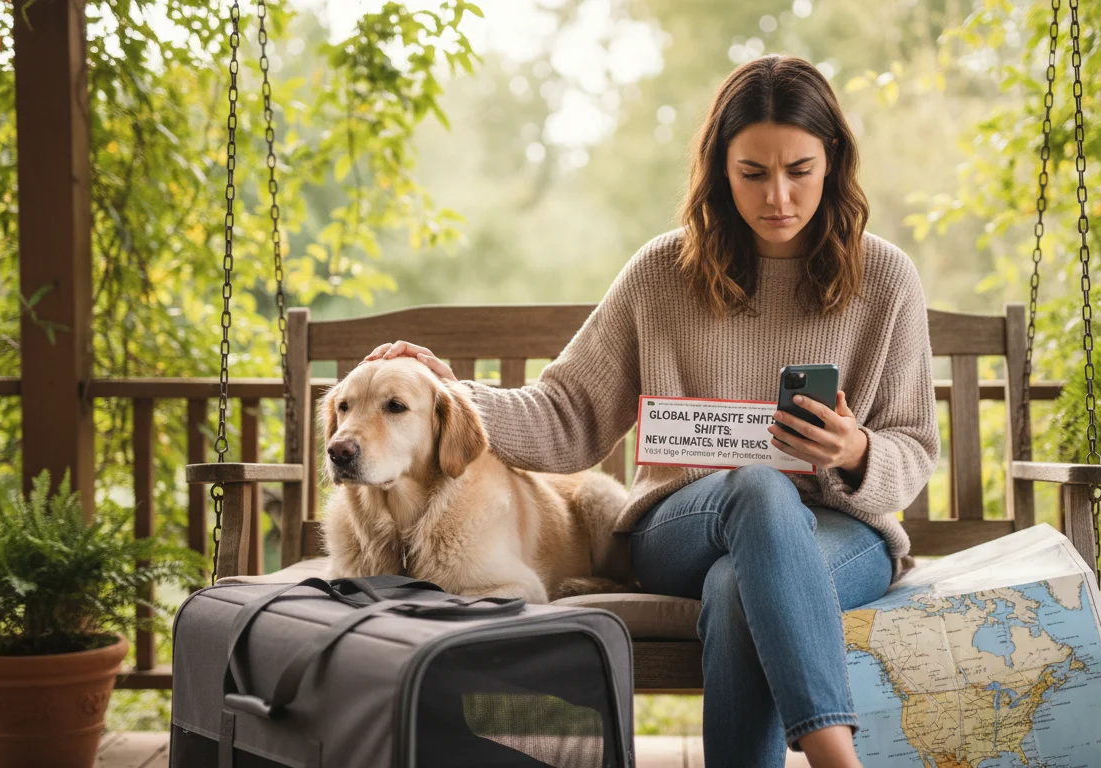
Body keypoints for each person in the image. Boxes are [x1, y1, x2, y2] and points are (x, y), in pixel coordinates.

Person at [364, 54, 938, 768]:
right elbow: (567, 410)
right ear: (720, 171)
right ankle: (836, 761)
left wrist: (855, 452)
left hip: (838, 531)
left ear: (834, 164)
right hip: (684, 526)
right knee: (756, 487)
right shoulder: (664, 273)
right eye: (753, 173)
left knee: (736, 589)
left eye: (801, 169)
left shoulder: (885, 279)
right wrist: (455, 392)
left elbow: (913, 444)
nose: (779, 195)